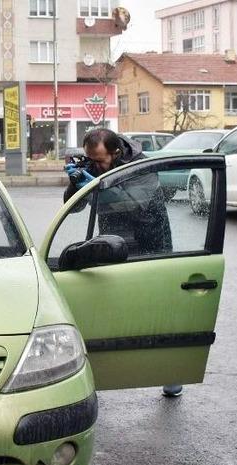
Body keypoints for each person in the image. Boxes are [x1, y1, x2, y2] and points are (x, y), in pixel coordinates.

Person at [64, 128, 180, 397]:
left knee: (159, 312)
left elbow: (134, 205)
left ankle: (172, 371)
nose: (95, 165)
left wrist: (99, 184)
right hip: (113, 242)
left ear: (116, 153)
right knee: (107, 308)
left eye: (100, 160)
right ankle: (101, 375)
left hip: (151, 244)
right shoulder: (94, 165)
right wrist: (75, 183)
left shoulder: (143, 166)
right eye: (90, 159)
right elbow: (73, 206)